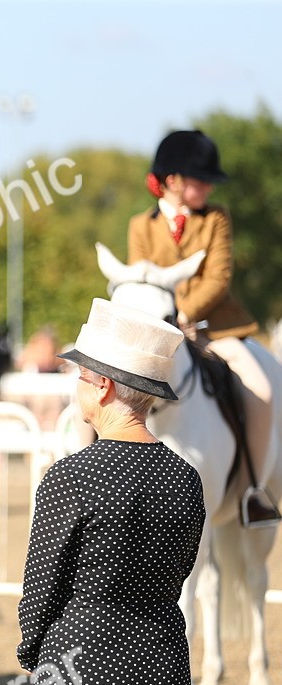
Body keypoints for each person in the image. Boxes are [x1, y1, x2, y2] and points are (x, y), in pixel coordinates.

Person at [16, 298, 205, 685]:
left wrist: (34, 651)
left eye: (81, 376)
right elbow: (180, 569)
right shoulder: (185, 478)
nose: (77, 385)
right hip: (160, 657)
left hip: (81, 660)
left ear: (103, 385)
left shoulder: (71, 477)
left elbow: (39, 593)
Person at [129, 129, 279, 527]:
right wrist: (166, 318)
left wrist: (183, 312)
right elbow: (141, 281)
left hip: (212, 329)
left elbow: (218, 278)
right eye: (201, 179)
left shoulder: (216, 219)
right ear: (173, 181)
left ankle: (252, 490)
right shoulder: (140, 227)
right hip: (158, 333)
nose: (210, 186)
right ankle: (89, 467)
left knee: (262, 391)